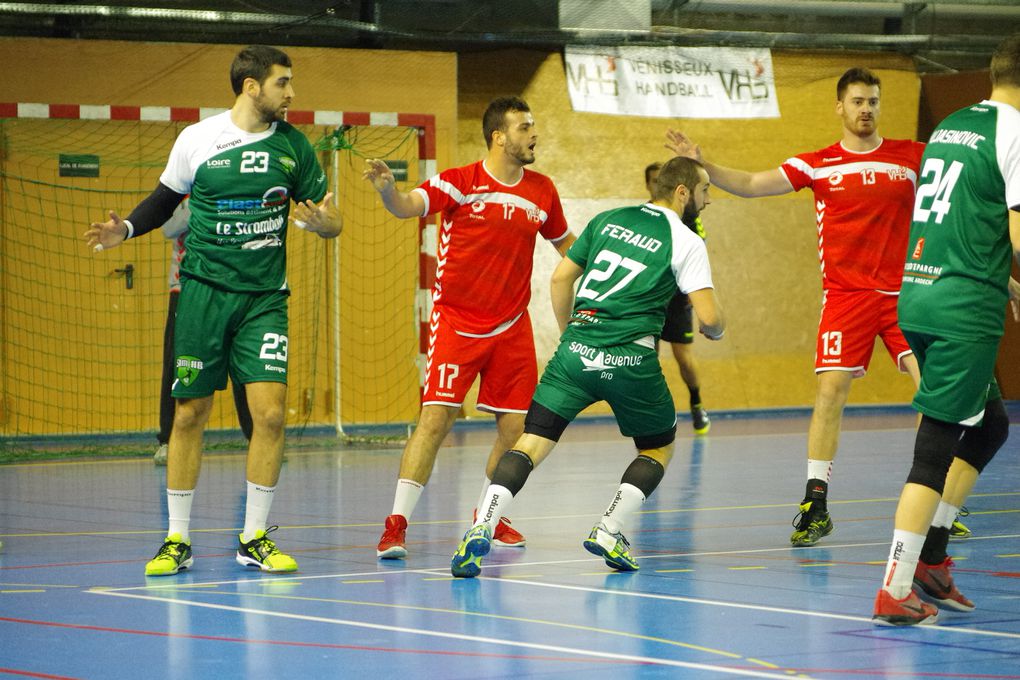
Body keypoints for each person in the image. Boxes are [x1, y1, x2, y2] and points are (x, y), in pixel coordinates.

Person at [85, 45, 341, 576]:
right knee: (189, 413)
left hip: (265, 299)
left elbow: (331, 216)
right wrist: (125, 229)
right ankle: (177, 539)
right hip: (202, 295)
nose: (291, 93)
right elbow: (162, 199)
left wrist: (324, 224)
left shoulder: (294, 147)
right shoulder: (197, 139)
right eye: (282, 83)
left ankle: (254, 537)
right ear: (251, 86)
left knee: (270, 415)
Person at [667, 67, 924, 547]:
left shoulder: (912, 158)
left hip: (906, 296)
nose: (865, 109)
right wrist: (703, 165)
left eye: (872, 101)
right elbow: (750, 182)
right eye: (857, 101)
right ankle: (816, 503)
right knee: (829, 394)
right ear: (839, 107)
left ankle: (937, 498)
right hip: (846, 298)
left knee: (931, 394)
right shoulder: (818, 163)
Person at [450, 156, 725, 578]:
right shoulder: (685, 241)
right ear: (683, 192)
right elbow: (708, 318)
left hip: (575, 351)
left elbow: (560, 279)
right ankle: (610, 528)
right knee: (658, 446)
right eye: (705, 190)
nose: (708, 200)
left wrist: (570, 336)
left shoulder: (606, 220)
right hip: (631, 360)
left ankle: (480, 525)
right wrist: (717, 329)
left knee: (531, 442)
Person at [363, 96, 575, 560]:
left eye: (534, 126)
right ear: (499, 136)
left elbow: (569, 249)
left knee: (517, 429)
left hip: (512, 326)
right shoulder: (460, 183)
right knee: (435, 420)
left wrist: (608, 274)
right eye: (524, 127)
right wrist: (386, 191)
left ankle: (488, 517)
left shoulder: (542, 191)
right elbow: (406, 205)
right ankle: (396, 525)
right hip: (457, 323)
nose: (534, 134)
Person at [871, 33, 1020, 626]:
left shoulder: (956, 124)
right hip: (964, 313)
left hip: (922, 293)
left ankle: (931, 557)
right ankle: (896, 586)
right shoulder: (1015, 131)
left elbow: (964, 217)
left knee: (989, 427)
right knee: (932, 454)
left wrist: (1004, 282)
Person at [153, 199, 253, 465]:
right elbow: (168, 229)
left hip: (231, 288)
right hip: (185, 289)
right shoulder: (179, 192)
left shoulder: (234, 192)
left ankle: (257, 435)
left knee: (244, 363)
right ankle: (167, 439)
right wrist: (200, 205)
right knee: (178, 365)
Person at [646, 162, 711, 435]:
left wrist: (692, 297)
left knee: (683, 357)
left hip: (677, 299)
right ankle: (651, 411)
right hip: (651, 300)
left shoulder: (688, 217)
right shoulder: (645, 214)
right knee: (649, 356)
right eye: (652, 180)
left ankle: (696, 402)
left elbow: (696, 253)